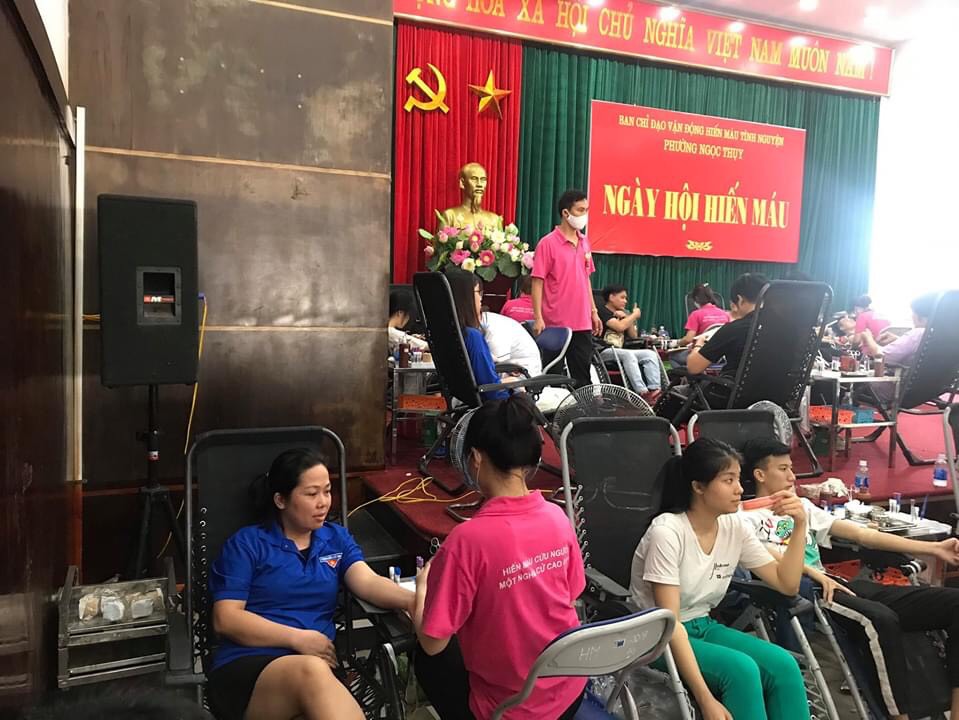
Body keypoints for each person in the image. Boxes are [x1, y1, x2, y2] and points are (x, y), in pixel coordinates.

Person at [740, 437, 959, 719]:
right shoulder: (743, 518)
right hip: (812, 591)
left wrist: (934, 549)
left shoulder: (802, 506)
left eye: (791, 468)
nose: (792, 476)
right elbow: (767, 556)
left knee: (954, 603)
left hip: (839, 585)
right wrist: (814, 573)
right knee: (880, 619)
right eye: (783, 469)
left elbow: (861, 534)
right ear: (760, 474)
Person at [207, 449, 415, 720]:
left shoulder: (335, 538)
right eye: (311, 494)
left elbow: (367, 581)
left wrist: (413, 600)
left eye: (327, 491)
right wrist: (299, 639)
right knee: (311, 671)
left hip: (318, 666)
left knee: (315, 673)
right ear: (281, 500)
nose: (323, 503)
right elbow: (226, 619)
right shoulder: (247, 544)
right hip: (250, 667)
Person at [413, 394, 586, 720]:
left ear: (476, 458)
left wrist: (422, 589)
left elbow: (433, 641)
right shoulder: (557, 517)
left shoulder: (467, 541)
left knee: (427, 656)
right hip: (569, 692)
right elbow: (573, 591)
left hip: (509, 710)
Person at [630, 438, 810, 720]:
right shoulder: (667, 532)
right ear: (698, 487)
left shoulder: (733, 525)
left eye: (738, 478)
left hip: (702, 624)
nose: (740, 489)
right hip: (655, 636)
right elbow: (670, 624)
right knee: (741, 670)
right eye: (728, 480)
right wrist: (706, 700)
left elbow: (787, 584)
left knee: (784, 665)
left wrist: (800, 526)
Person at [531, 189, 602, 387]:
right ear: (565, 212)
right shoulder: (547, 243)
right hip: (556, 322)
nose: (584, 215)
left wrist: (593, 311)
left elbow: (586, 278)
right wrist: (538, 317)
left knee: (582, 377)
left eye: (586, 210)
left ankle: (583, 406)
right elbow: (537, 281)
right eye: (580, 210)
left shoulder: (584, 242)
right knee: (553, 375)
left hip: (582, 321)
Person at [446, 268, 509, 401]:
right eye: (478, 292)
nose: (481, 298)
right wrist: (513, 384)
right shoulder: (472, 336)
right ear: (464, 297)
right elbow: (491, 390)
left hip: (462, 401)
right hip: (496, 406)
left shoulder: (446, 333)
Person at [595, 284, 661, 401]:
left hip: (621, 350)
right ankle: (642, 392)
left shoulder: (624, 313)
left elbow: (633, 335)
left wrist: (628, 316)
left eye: (626, 298)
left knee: (650, 354)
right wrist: (634, 315)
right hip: (603, 351)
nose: (625, 301)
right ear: (611, 297)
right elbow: (619, 327)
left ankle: (655, 390)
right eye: (622, 297)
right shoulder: (602, 311)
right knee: (628, 355)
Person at [481, 310, 542, 378]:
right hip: (506, 371)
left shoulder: (497, 328)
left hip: (525, 376)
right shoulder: (483, 322)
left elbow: (494, 367)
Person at [678, 284, 729, 348]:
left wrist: (677, 343)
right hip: (722, 351)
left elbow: (688, 339)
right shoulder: (724, 314)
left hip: (702, 351)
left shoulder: (695, 314)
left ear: (696, 298)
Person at [388, 288, 429, 354]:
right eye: (408, 315)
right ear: (400, 313)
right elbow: (425, 346)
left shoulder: (387, 331)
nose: (408, 318)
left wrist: (412, 337)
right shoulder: (391, 333)